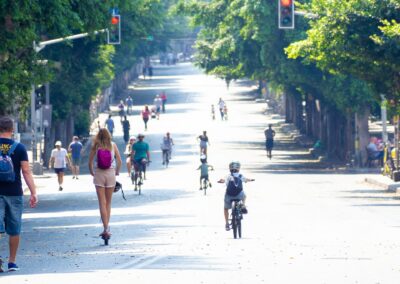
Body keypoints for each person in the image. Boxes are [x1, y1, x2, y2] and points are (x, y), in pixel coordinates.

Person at [0, 116, 38, 272]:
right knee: (14, 228)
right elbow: (26, 171)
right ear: (12, 129)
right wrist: (34, 192)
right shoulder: (20, 148)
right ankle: (12, 262)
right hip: (15, 193)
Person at [88, 128, 122, 240]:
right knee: (108, 203)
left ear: (98, 136)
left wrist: (92, 172)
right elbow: (120, 161)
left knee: (102, 203)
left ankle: (105, 228)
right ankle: (108, 228)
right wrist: (116, 171)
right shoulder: (113, 145)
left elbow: (90, 162)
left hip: (99, 175)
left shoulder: (96, 146)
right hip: (111, 174)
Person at [218, 161, 254, 231]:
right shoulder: (240, 176)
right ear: (238, 168)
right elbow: (246, 179)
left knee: (225, 208)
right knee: (244, 196)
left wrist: (220, 181)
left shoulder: (228, 176)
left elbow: (223, 180)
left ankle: (227, 224)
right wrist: (251, 180)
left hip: (229, 195)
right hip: (239, 195)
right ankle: (243, 206)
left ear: (230, 168)